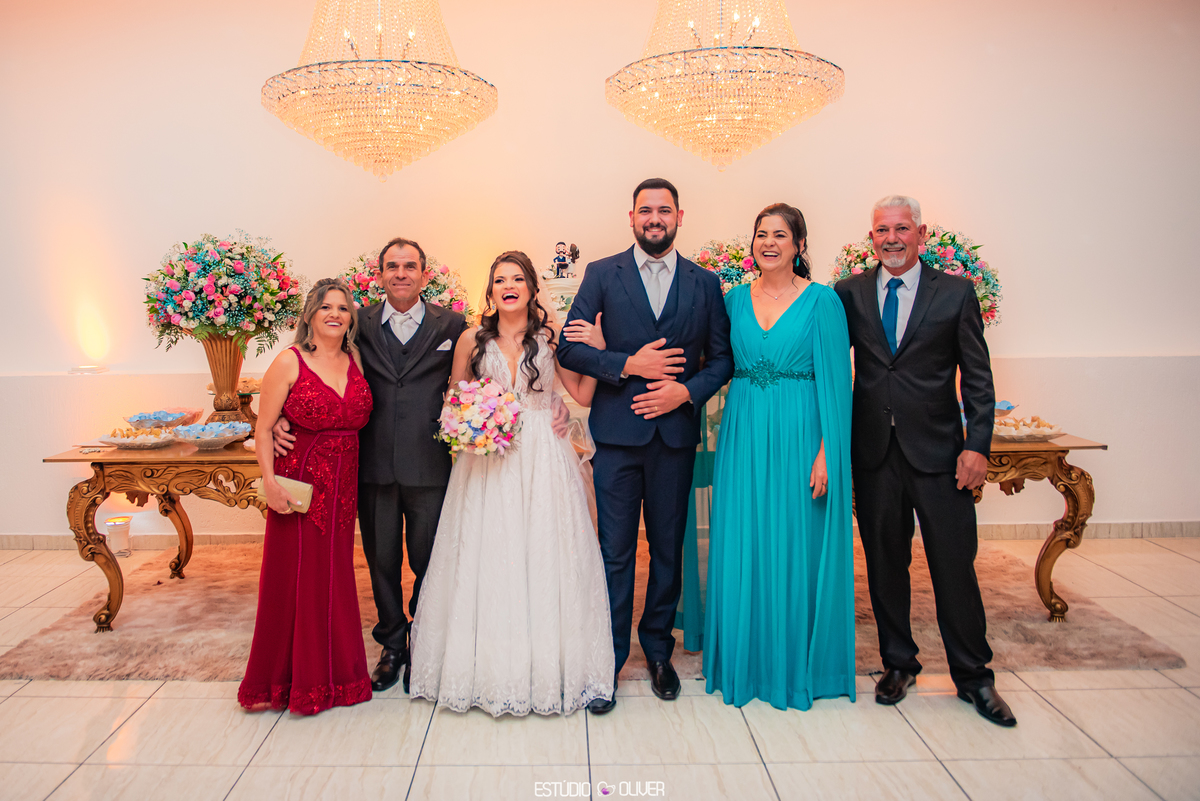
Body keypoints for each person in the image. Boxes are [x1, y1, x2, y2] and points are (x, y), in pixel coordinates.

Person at [833, 195, 1016, 726]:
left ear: (921, 233)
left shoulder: (955, 293)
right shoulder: (848, 293)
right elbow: (828, 361)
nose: (891, 238)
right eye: (881, 230)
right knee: (885, 566)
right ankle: (898, 663)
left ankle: (974, 676)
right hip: (873, 455)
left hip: (941, 456)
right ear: (871, 237)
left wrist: (977, 446)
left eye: (901, 228)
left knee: (953, 567)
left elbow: (978, 379)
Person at [408, 251, 615, 716]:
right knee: (489, 553)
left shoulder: (550, 336)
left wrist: (597, 353)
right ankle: (489, 668)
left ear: (531, 288)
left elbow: (581, 394)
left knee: (545, 552)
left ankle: (551, 669)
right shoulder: (471, 339)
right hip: (487, 460)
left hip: (543, 453)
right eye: (500, 279)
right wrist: (474, 420)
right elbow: (453, 399)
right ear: (491, 290)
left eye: (517, 279)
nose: (509, 286)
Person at [557, 178, 734, 713]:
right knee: (614, 553)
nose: (655, 218)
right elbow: (569, 348)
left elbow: (722, 360)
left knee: (666, 550)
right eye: (645, 210)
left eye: (664, 210)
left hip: (673, 438)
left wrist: (686, 391)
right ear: (631, 217)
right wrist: (628, 364)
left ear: (679, 216)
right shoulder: (601, 274)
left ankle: (658, 651)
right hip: (616, 438)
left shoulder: (705, 282)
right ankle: (608, 660)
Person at [273, 238, 475, 694]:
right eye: (392, 266)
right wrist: (280, 415)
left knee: (429, 560)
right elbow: (310, 364)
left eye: (410, 266)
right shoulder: (356, 321)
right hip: (370, 465)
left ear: (424, 274)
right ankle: (392, 644)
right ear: (379, 275)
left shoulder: (453, 324)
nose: (401, 274)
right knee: (381, 561)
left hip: (430, 464)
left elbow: (473, 382)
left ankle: (425, 640)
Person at [703, 203, 855, 710]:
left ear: (800, 245)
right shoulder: (731, 301)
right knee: (744, 539)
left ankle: (793, 667)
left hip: (801, 436)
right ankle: (744, 663)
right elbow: (707, 361)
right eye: (761, 234)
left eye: (781, 235)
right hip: (744, 435)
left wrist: (828, 453)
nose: (769, 242)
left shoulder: (823, 302)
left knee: (794, 542)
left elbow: (837, 383)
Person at [239, 278, 374, 715]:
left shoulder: (355, 359)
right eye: (325, 307)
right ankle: (293, 681)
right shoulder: (288, 361)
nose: (335, 314)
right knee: (296, 576)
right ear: (310, 315)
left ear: (351, 318)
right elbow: (264, 429)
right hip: (300, 482)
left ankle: (337, 674)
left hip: (344, 485)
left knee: (335, 574)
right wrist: (269, 482)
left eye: (343, 308)